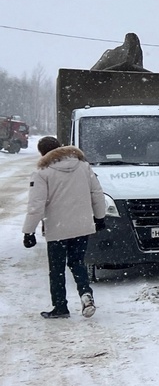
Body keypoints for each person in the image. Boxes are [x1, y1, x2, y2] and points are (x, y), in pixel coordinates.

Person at [22, 135, 106, 319]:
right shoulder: (83, 166)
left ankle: (61, 307)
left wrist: (29, 232)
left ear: (42, 153)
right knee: (77, 263)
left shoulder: (42, 173)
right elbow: (97, 193)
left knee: (57, 269)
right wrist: (100, 217)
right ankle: (86, 294)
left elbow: (36, 205)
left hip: (58, 229)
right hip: (82, 226)